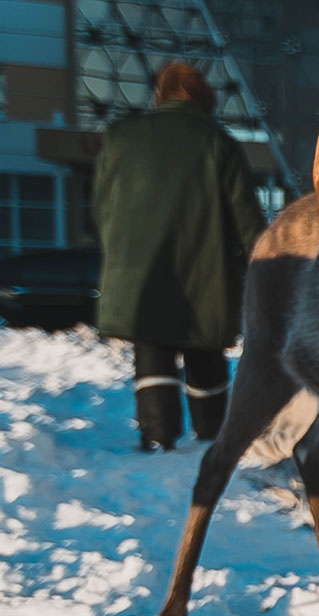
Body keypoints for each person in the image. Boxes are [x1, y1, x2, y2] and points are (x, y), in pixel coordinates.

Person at [93, 63, 265, 451]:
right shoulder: (217, 142)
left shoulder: (121, 137)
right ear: (204, 99)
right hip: (205, 275)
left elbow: (103, 207)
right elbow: (247, 222)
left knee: (152, 350)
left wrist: (117, 252)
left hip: (140, 275)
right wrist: (265, 268)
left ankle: (157, 437)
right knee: (204, 351)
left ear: (160, 94)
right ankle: (211, 436)